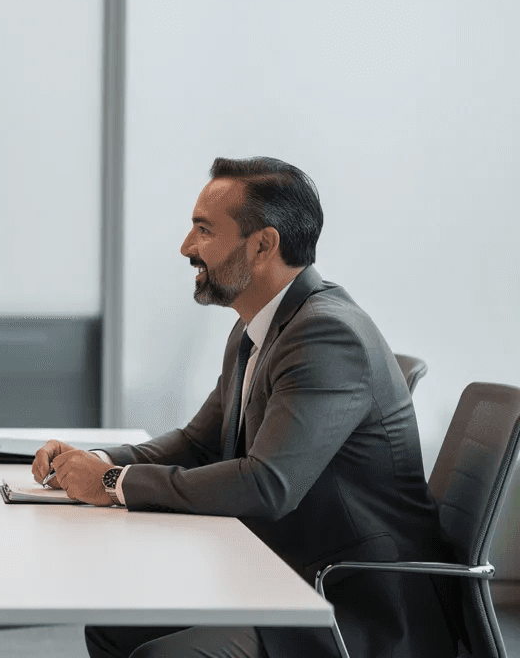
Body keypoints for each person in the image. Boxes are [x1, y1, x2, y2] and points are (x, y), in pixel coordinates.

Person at [34, 158, 460, 658]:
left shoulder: (326, 335)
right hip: (283, 574)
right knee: (112, 628)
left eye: (204, 230)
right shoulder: (257, 328)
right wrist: (99, 461)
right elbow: (199, 443)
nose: (186, 247)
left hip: (354, 604)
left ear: (263, 244)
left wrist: (112, 486)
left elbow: (266, 485)